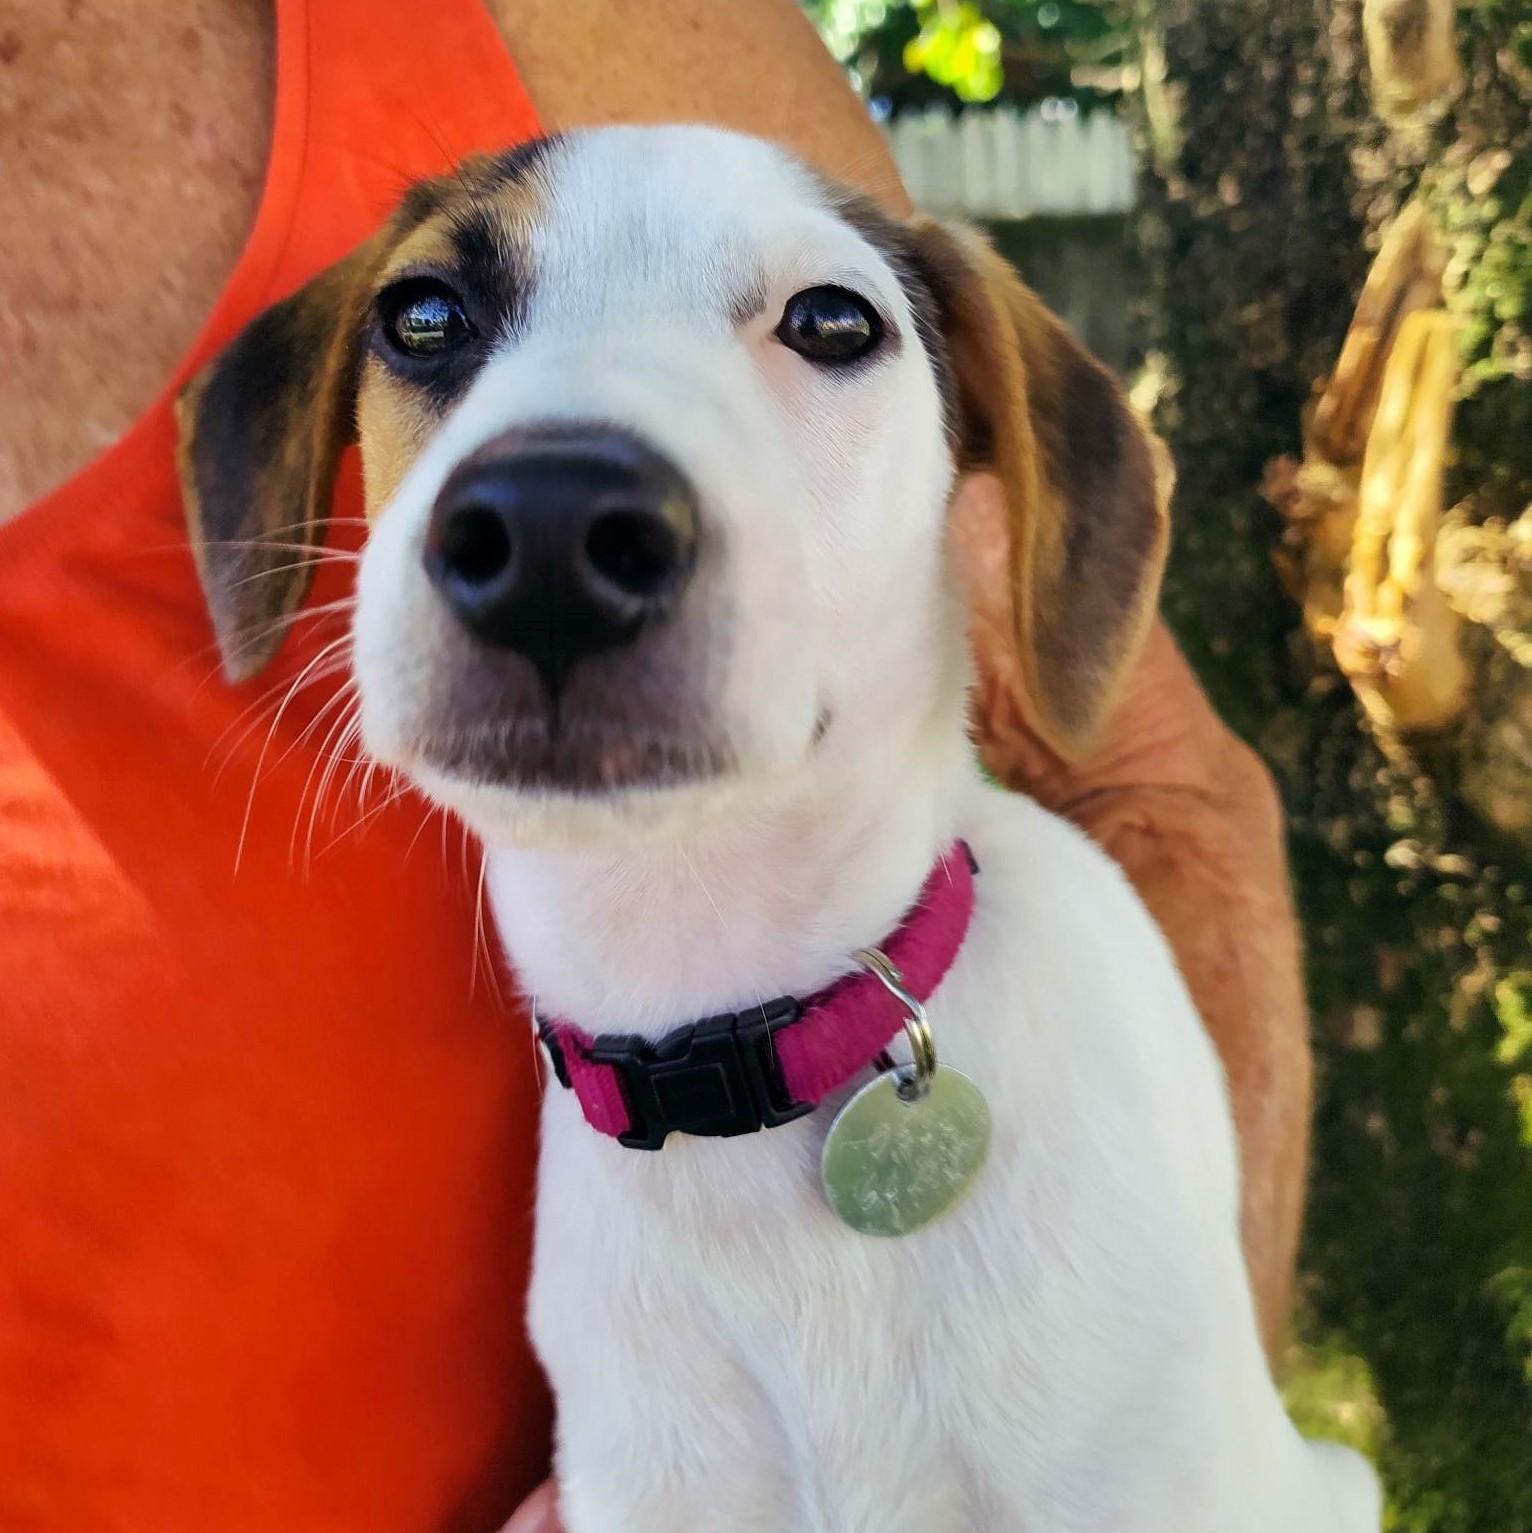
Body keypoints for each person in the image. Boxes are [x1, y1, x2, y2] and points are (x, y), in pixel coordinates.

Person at [0, 1, 1309, 1529]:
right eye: (432, 328)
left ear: (997, 457)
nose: (551, 511)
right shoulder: (601, 1254)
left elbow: (1171, 789)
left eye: (825, 328)